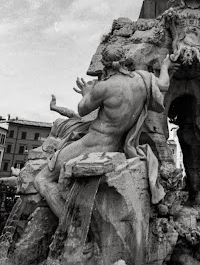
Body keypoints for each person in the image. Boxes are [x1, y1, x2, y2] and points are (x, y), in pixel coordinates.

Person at [35, 49, 175, 218]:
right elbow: (164, 85)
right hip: (118, 145)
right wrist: (166, 66)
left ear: (105, 65)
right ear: (124, 61)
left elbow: (83, 109)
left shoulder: (104, 87)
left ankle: (71, 226)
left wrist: (86, 92)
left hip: (92, 144)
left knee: (41, 180)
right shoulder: (143, 79)